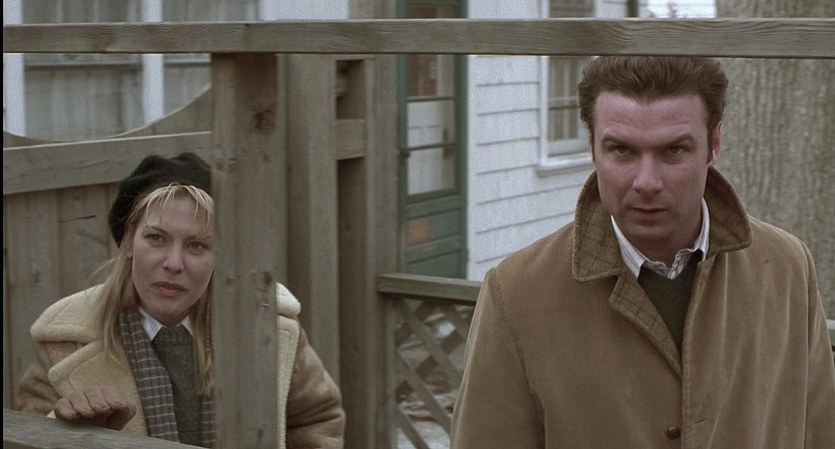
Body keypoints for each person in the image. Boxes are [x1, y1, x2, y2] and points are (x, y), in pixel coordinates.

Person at [450, 56, 835, 448]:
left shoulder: (786, 267)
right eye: (622, 150)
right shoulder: (516, 294)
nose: (646, 182)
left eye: (674, 151)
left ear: (714, 145)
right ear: (592, 147)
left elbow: (822, 429)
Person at [16, 152, 345, 448]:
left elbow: (317, 420)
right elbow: (27, 435)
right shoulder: (65, 340)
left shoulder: (268, 327)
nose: (174, 263)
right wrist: (75, 435)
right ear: (129, 242)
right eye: (156, 238)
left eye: (196, 245)